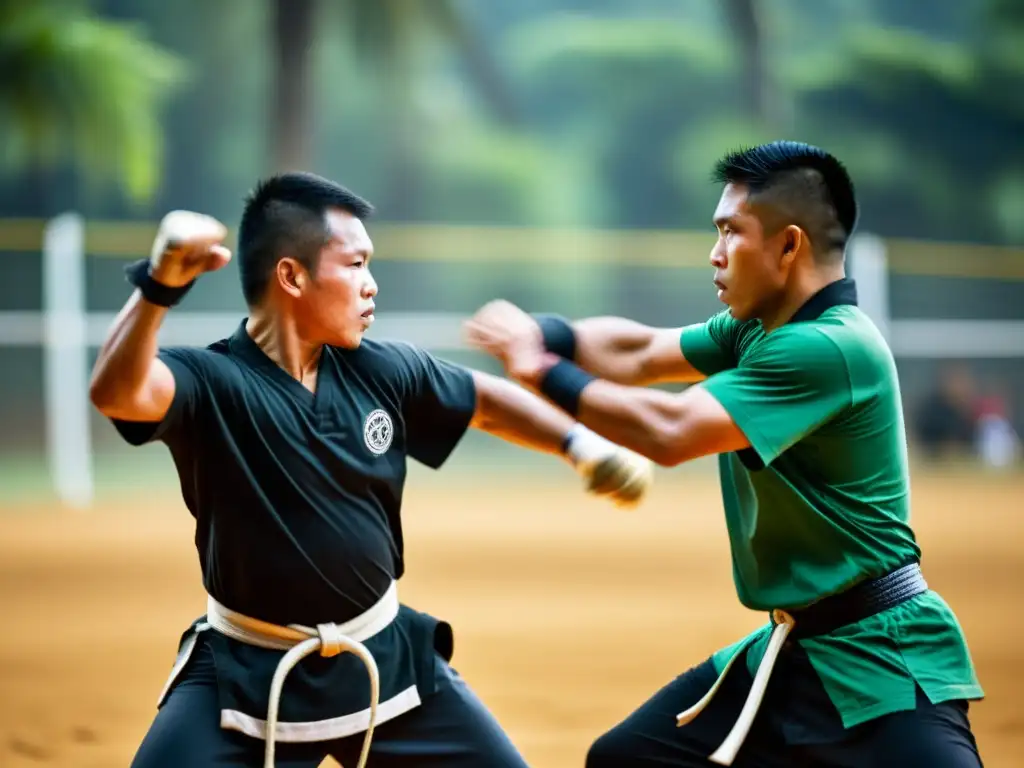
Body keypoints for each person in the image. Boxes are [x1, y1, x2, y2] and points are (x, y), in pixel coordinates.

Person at [88, 171, 652, 768]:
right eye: (356, 265)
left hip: (384, 661)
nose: (371, 286)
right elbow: (118, 393)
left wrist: (581, 446)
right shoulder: (212, 381)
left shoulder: (379, 370)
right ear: (292, 276)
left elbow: (484, 400)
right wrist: (159, 287)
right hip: (245, 675)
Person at [465, 141, 985, 768]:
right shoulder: (757, 330)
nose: (714, 254)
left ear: (789, 246)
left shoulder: (828, 347)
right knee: (627, 758)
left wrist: (543, 371)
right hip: (792, 654)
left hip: (881, 659)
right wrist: (544, 334)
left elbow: (671, 429)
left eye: (730, 232)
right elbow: (637, 353)